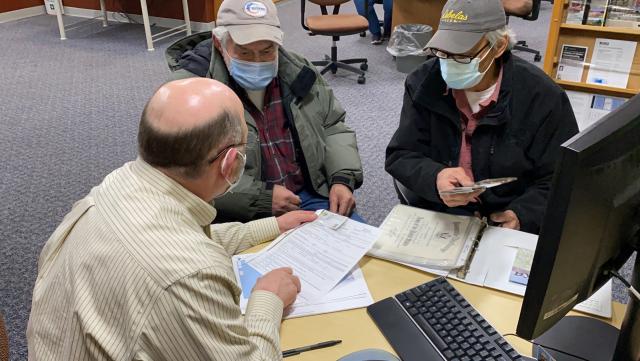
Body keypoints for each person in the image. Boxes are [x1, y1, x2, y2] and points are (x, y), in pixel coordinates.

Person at [27, 78, 318, 361]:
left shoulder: (117, 184)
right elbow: (184, 260)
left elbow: (188, 237)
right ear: (231, 164)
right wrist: (268, 299)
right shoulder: (189, 273)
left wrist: (272, 225)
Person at [385, 0, 579, 234]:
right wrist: (435, 177)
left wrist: (522, 214)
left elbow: (560, 179)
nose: (448, 63)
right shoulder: (423, 82)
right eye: (443, 52)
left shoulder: (542, 97)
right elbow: (401, 154)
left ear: (498, 47)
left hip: (507, 215)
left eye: (463, 56)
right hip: (442, 212)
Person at [166, 0, 365, 223]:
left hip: (309, 194)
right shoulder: (189, 92)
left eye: (267, 51)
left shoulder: (300, 72)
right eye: (245, 53)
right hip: (239, 215)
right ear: (219, 42)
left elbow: (333, 125)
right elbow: (183, 174)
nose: (258, 62)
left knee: (364, 252)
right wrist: (260, 198)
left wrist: (341, 178)